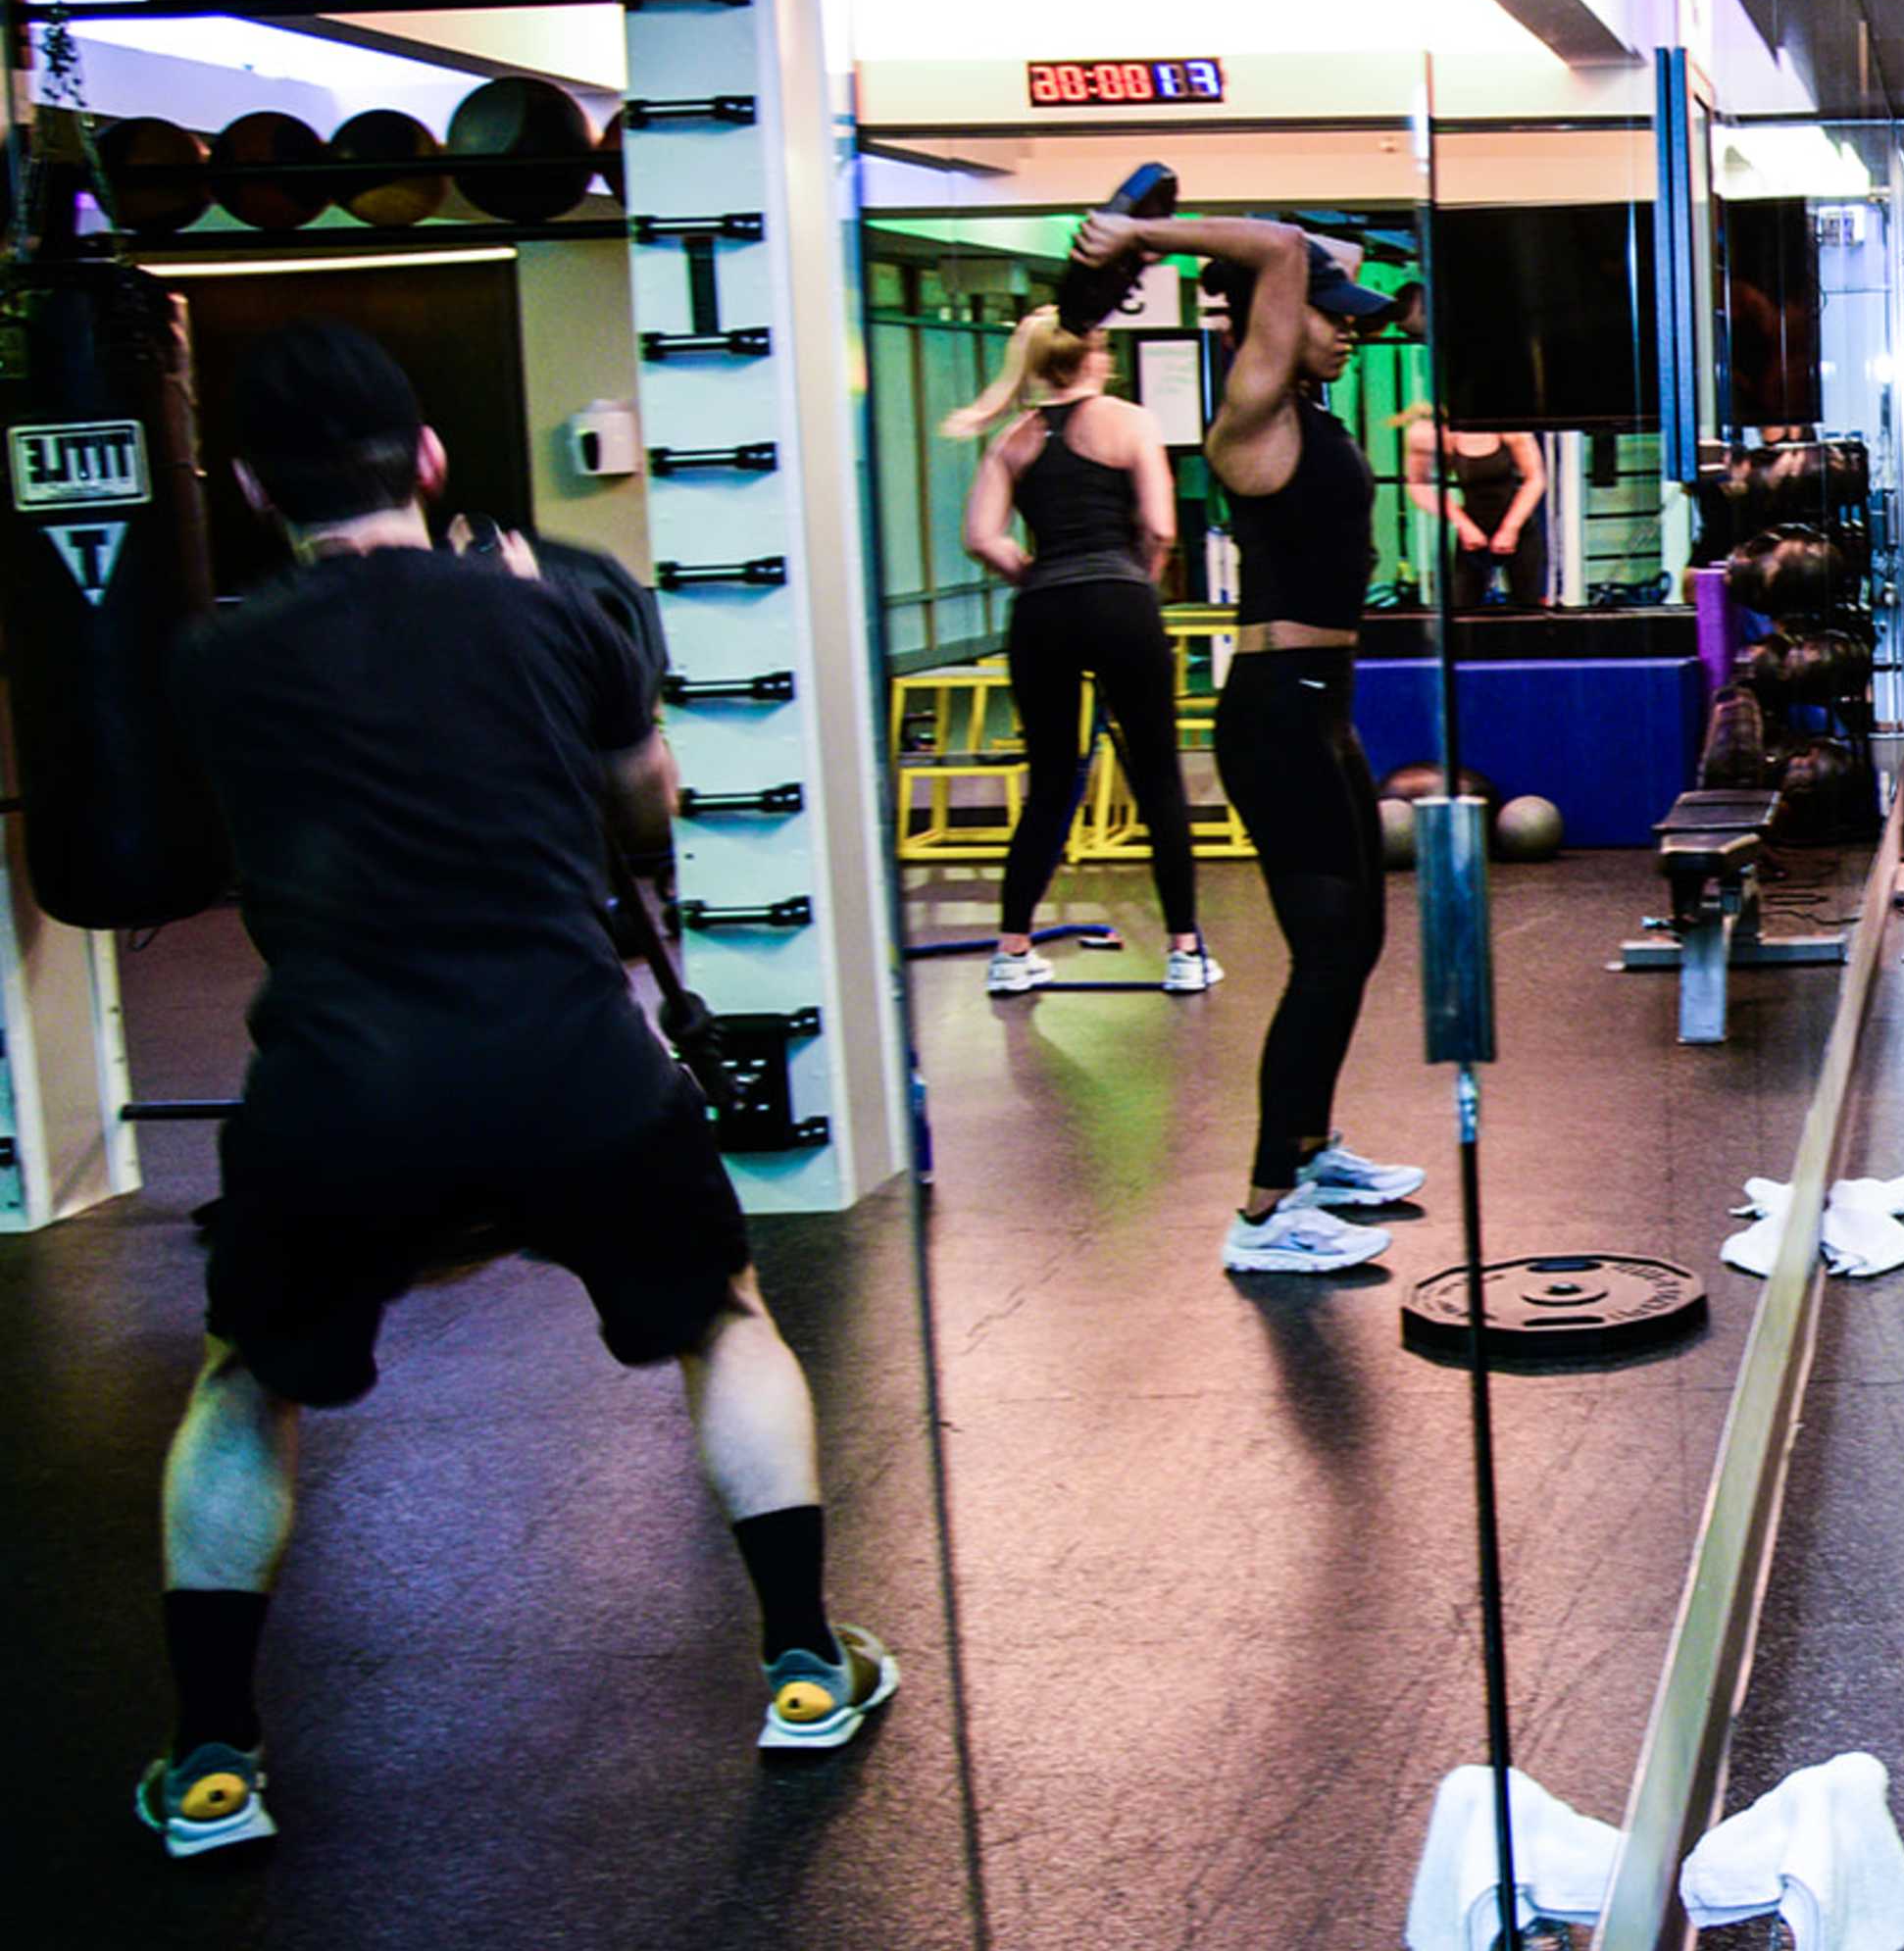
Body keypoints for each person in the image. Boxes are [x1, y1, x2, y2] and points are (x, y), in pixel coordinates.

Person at [139, 322, 893, 1856]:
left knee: (242, 1379)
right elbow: (646, 807)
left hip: (342, 1085)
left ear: (244, 483)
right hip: (567, 1062)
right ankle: (806, 1665)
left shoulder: (213, 655)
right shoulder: (551, 612)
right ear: (426, 458)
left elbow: (203, 839)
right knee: (722, 1315)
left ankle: (214, 1760)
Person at [1077, 204, 1431, 1275]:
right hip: (1276, 713)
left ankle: (1313, 1153)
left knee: (1357, 945)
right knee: (1325, 954)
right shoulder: (1252, 420)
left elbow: (1303, 259)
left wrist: (1339, 260)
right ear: (1272, 326)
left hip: (1323, 705)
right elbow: (1276, 251)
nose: (1351, 329)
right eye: (1334, 315)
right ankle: (1264, 1212)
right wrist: (1145, 234)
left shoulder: (1313, 415)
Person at [943, 309, 1214, 995]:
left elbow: (981, 536)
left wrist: (1033, 575)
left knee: (1052, 780)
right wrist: (1136, 586)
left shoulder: (1014, 438)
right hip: (1120, 601)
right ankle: (1184, 951)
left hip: (1043, 613)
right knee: (1156, 775)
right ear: (1097, 354)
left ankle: (1011, 952)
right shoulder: (1130, 421)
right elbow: (1158, 525)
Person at [1401, 412, 1551, 610]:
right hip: (1472, 531)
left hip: (1520, 528)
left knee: (1529, 606)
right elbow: (1418, 483)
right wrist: (1462, 524)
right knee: (1462, 607)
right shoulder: (1437, 433)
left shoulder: (1509, 428)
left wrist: (1510, 528)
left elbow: (1535, 478)